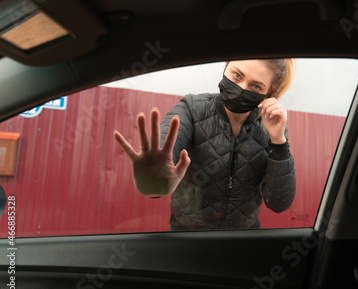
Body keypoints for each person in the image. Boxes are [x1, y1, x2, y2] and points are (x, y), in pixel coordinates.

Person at [114, 59, 296, 230]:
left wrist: (279, 142)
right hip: (188, 238)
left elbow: (278, 203)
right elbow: (169, 141)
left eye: (256, 86)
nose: (241, 88)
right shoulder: (192, 109)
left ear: (269, 92)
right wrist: (155, 179)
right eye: (237, 75)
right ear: (226, 65)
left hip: (243, 242)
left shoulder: (273, 129)